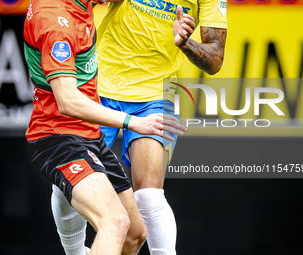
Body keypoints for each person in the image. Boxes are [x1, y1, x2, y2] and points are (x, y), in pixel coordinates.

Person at [51, 0, 227, 254]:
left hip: (155, 94)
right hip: (102, 83)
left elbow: (215, 60)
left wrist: (185, 43)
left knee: (149, 196)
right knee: (66, 178)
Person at [23, 0, 186, 254]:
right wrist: (134, 122)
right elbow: (66, 100)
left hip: (88, 136)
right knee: (115, 222)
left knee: (134, 234)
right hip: (58, 138)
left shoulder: (81, 3)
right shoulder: (56, 23)